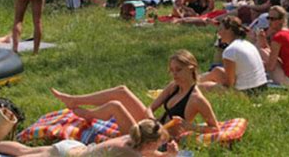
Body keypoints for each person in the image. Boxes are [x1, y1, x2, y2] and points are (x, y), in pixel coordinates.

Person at [52, 50, 219, 137]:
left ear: (191, 69)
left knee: (115, 106)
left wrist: (189, 126)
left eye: (178, 70)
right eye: (172, 70)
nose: (174, 74)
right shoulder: (174, 86)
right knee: (122, 90)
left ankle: (90, 115)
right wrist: (151, 119)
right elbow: (150, 107)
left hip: (160, 138)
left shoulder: (197, 99)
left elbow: (214, 128)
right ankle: (73, 100)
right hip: (152, 127)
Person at [0, 119, 179, 157]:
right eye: (159, 143)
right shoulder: (132, 153)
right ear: (147, 143)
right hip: (66, 155)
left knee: (24, 151)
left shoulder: (131, 137)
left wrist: (166, 154)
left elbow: (149, 153)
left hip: (73, 148)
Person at [199, 16, 267, 93]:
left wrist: (214, 85)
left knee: (203, 86)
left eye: (221, 29)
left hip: (246, 93)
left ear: (229, 30)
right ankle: (195, 80)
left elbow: (229, 84)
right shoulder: (248, 44)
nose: (218, 32)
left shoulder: (230, 51)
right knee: (217, 71)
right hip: (261, 88)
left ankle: (192, 85)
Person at [256, 6, 289, 86]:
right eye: (268, 18)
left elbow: (271, 67)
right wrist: (263, 40)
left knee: (261, 51)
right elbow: (273, 54)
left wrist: (257, 66)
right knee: (263, 50)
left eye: (273, 19)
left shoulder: (279, 37)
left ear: (281, 20)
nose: (269, 21)